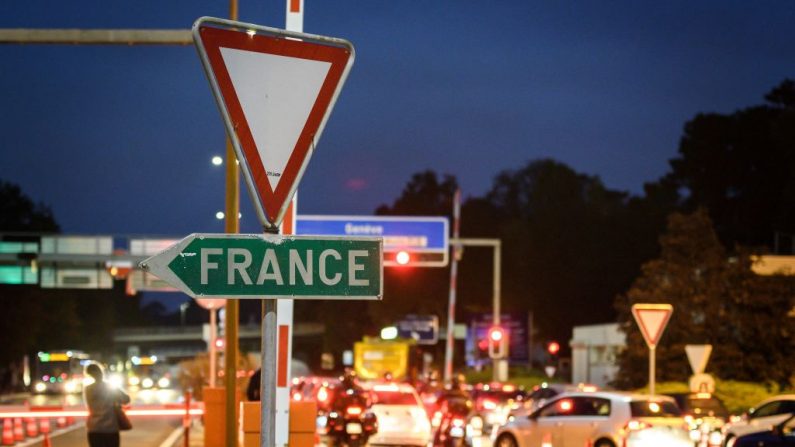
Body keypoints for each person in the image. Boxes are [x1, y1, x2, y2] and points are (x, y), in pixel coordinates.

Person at [83, 362, 131, 447]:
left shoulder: (88, 389)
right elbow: (126, 399)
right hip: (110, 428)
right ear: (101, 372)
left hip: (94, 428)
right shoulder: (109, 387)